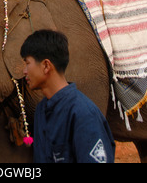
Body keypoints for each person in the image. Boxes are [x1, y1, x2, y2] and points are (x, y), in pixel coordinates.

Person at [20, 29, 116, 163]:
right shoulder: (41, 111)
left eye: (27, 63)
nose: (24, 71)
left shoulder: (83, 114)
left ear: (46, 66)